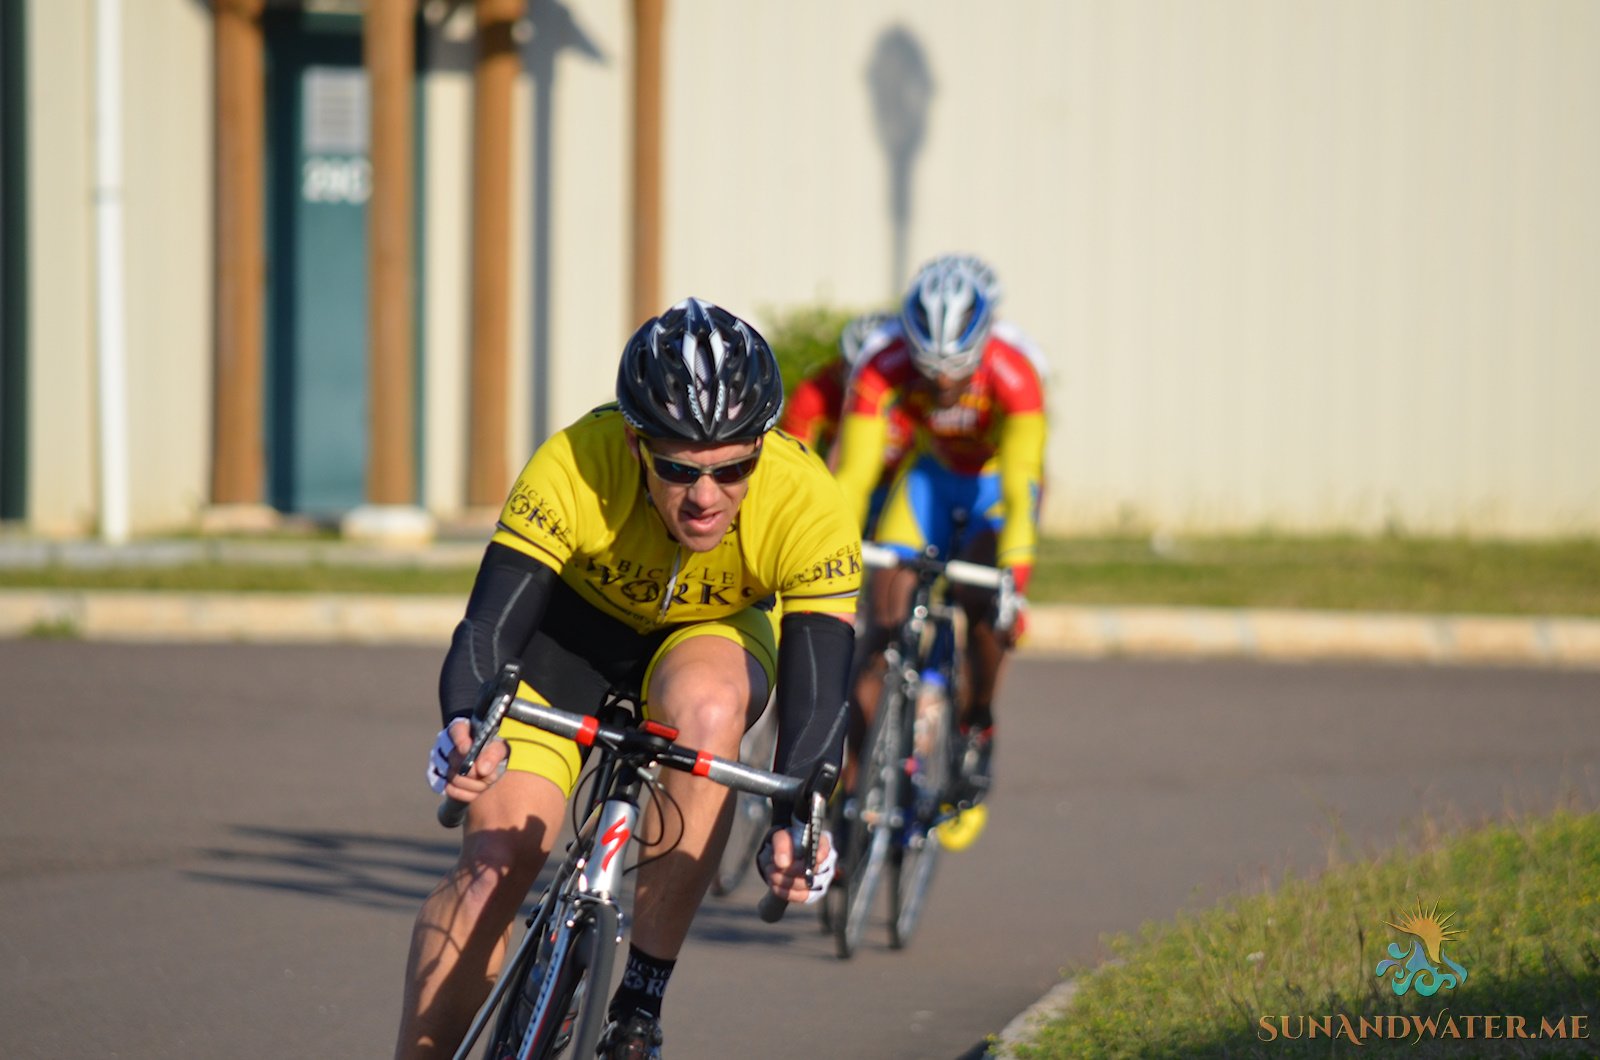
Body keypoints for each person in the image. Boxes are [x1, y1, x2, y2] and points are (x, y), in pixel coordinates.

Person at [395, 298, 862, 1060]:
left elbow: (820, 686)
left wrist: (799, 818)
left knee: (710, 709)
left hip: (707, 637)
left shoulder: (808, 501)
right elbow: (487, 628)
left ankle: (640, 1001)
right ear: (635, 441)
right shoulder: (577, 459)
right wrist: (465, 723)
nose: (705, 497)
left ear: (764, 447)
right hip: (569, 644)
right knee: (491, 875)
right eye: (677, 470)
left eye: (733, 468)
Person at [831, 254, 1046, 806]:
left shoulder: (1016, 372)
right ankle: (865, 785)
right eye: (930, 368)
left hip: (992, 492)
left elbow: (1024, 488)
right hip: (928, 483)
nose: (944, 381)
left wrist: (1013, 586)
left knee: (980, 603)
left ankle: (976, 725)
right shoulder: (883, 362)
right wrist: (825, 558)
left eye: (957, 367)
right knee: (878, 627)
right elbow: (852, 476)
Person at [780, 311, 915, 538]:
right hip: (846, 484)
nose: (859, 385)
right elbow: (792, 468)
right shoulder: (815, 391)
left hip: (896, 487)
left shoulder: (914, 391)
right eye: (850, 371)